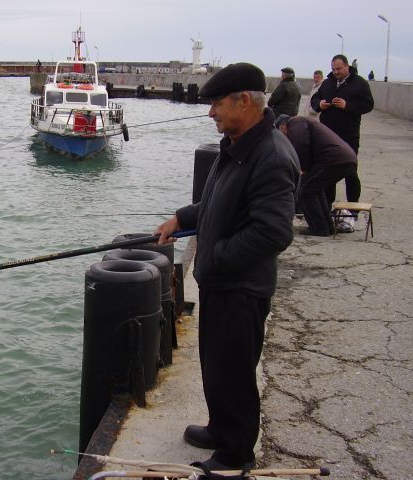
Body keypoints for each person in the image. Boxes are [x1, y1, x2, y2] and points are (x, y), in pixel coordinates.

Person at [155, 63, 300, 471]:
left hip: (241, 288)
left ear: (244, 101)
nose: (211, 112)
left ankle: (235, 455)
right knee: (216, 365)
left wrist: (214, 259)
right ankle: (221, 427)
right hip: (221, 284)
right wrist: (182, 219)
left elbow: (273, 233)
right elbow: (216, 201)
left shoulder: (270, 155)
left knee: (235, 371)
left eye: (217, 103)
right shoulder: (236, 145)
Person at [275, 114, 358, 236]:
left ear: (282, 127)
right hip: (342, 159)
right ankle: (327, 225)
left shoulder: (296, 123)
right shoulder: (302, 123)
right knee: (315, 189)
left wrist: (303, 167)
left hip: (334, 160)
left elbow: (301, 144)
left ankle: (319, 227)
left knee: (305, 189)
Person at [310, 54, 374, 208]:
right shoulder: (327, 83)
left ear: (347, 66)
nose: (336, 72)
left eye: (338, 68)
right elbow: (315, 99)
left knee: (350, 171)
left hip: (348, 135)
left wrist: (347, 105)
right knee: (328, 171)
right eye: (333, 69)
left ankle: (352, 208)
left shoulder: (359, 84)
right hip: (327, 135)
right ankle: (327, 205)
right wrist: (321, 104)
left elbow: (368, 105)